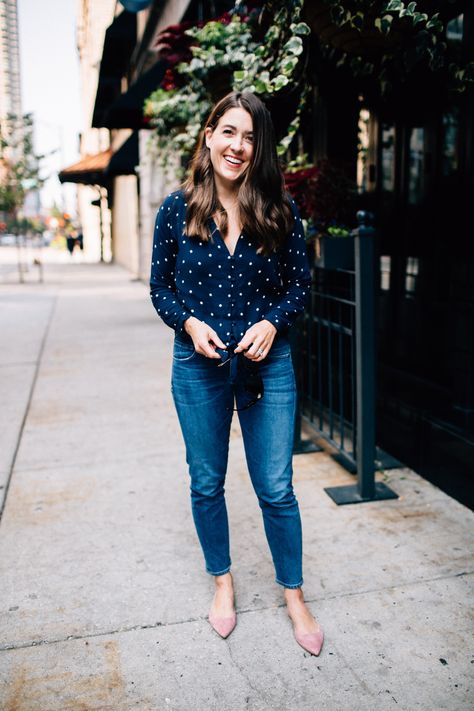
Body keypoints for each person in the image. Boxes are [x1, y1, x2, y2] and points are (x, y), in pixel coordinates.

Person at [150, 91, 324, 656]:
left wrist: (274, 323)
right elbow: (160, 288)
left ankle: (294, 595)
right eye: (229, 132)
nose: (238, 146)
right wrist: (189, 323)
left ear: (259, 147)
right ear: (208, 135)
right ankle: (223, 583)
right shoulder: (177, 209)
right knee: (207, 482)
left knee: (276, 487)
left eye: (249, 137)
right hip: (198, 366)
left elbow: (299, 284)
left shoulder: (279, 209)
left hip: (266, 365)